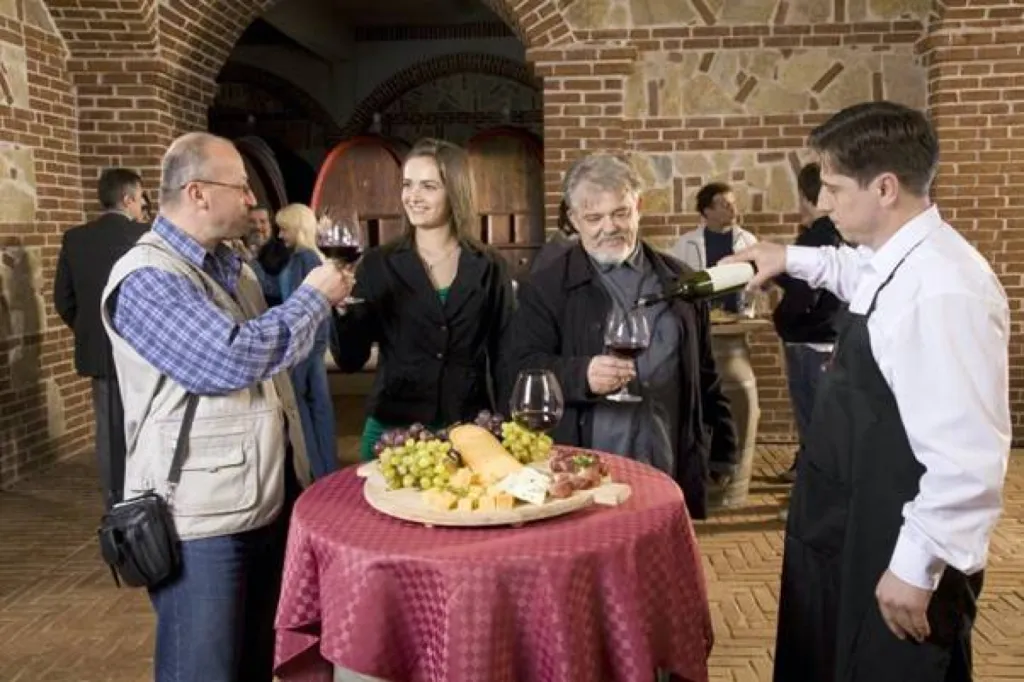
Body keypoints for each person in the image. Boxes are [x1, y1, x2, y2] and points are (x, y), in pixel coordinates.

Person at [724, 101, 1010, 682]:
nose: (823, 202)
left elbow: (968, 461)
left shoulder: (947, 290)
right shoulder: (899, 256)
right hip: (853, 524)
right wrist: (787, 258)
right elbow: (857, 274)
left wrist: (916, 565)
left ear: (884, 188)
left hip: (897, 544)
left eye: (832, 187)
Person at [99, 131, 354, 682]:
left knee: (255, 666)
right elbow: (228, 360)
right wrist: (313, 297)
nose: (250, 201)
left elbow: (276, 361)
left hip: (264, 499)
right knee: (203, 671)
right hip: (200, 519)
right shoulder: (147, 277)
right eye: (239, 188)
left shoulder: (231, 267)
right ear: (196, 192)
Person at [500, 152, 737, 521]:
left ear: (638, 207)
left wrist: (722, 449)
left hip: (668, 465)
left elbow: (706, 374)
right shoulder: (546, 288)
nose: (609, 227)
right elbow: (518, 370)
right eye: (594, 218)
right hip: (585, 479)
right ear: (573, 219)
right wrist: (582, 375)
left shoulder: (681, 281)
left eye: (620, 213)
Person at [331, 138, 515, 461]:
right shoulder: (377, 264)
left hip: (469, 431)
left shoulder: (489, 266)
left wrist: (509, 431)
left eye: (428, 186)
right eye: (407, 184)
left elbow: (506, 359)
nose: (413, 196)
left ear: (455, 192)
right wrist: (341, 310)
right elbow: (350, 360)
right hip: (392, 432)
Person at [52, 167, 149, 510]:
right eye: (140, 198)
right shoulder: (147, 235)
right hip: (148, 351)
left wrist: (91, 329)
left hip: (101, 351)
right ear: (127, 199)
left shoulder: (75, 239)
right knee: (151, 425)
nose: (142, 206)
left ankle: (116, 505)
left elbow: (63, 299)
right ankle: (149, 500)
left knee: (110, 433)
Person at [772, 162, 845, 484]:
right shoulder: (838, 234)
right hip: (829, 337)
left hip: (812, 342)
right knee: (822, 425)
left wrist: (783, 320)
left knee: (815, 426)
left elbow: (805, 295)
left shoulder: (817, 237)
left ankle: (814, 502)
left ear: (806, 195)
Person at [252, 203, 337, 479]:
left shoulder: (302, 259)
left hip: (304, 343)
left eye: (284, 228)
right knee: (319, 405)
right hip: (313, 340)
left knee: (303, 407)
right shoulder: (309, 256)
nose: (279, 234)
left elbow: (294, 302)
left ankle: (313, 470)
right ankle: (326, 471)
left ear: (298, 229)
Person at [670, 181, 758, 316]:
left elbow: (758, 281)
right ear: (707, 211)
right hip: (700, 321)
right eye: (726, 205)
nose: (733, 210)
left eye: (733, 204)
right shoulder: (686, 244)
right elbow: (674, 283)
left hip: (738, 321)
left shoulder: (748, 241)